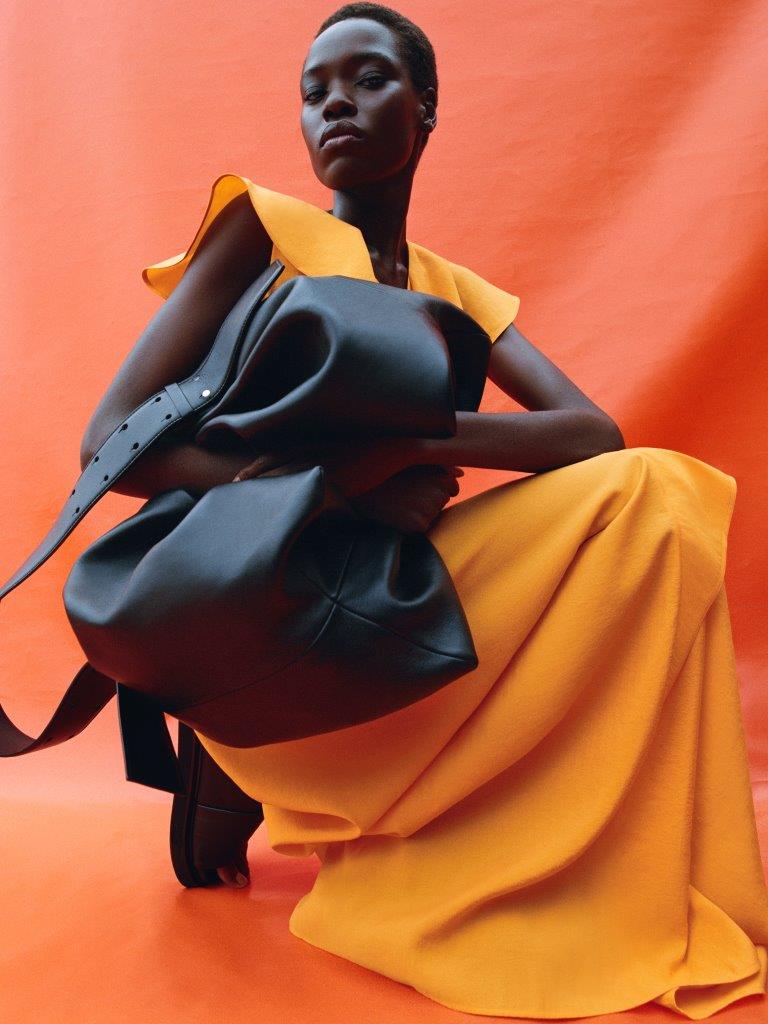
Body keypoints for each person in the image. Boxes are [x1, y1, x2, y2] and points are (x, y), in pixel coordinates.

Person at [79, 3, 768, 1018]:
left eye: (367, 80)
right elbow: (109, 444)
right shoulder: (263, 233)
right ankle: (235, 752)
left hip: (391, 580)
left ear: (427, 106)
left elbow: (595, 433)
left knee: (658, 499)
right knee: (642, 497)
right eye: (313, 93)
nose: (335, 106)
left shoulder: (451, 290)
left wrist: (414, 446)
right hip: (262, 589)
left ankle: (551, 846)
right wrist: (337, 482)